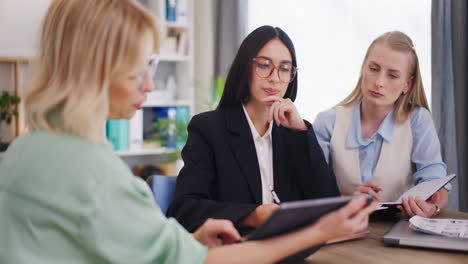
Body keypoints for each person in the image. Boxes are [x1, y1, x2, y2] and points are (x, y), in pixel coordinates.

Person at [0, 0, 377, 263]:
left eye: (284, 69)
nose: (149, 85)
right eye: (139, 69)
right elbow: (188, 226)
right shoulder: (101, 176)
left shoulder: (20, 151)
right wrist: (303, 228)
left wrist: (302, 135)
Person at [167, 25, 340, 234]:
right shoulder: (208, 129)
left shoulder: (293, 132)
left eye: (284, 69)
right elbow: (185, 210)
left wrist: (302, 133)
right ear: (245, 68)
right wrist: (253, 215)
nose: (275, 78)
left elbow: (329, 205)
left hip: (292, 247)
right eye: (264, 65)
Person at [313, 31, 450, 218]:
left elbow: (436, 183)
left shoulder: (418, 121)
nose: (379, 82)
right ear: (363, 69)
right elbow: (310, 190)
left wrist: (432, 208)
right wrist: (346, 199)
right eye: (374, 69)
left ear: (407, 85)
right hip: (340, 228)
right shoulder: (327, 122)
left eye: (392, 75)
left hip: (398, 228)